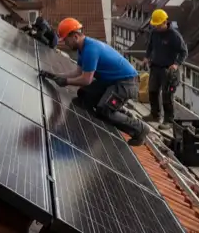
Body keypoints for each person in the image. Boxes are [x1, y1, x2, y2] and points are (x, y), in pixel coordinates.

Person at [40, 18, 150, 146]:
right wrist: (55, 76)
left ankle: (140, 128)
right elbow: (77, 73)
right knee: (84, 95)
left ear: (75, 36)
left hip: (126, 84)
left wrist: (65, 81)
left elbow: (87, 79)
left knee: (104, 110)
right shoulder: (83, 49)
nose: (65, 44)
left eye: (66, 40)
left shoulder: (90, 50)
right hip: (113, 83)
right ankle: (119, 113)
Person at [142, 9, 188, 130]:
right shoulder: (154, 33)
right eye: (155, 25)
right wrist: (147, 57)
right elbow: (150, 46)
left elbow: (184, 52)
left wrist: (176, 64)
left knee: (167, 96)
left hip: (168, 70)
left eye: (158, 25)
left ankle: (168, 120)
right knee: (152, 91)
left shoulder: (174, 36)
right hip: (155, 67)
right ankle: (154, 114)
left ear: (165, 22)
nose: (156, 27)